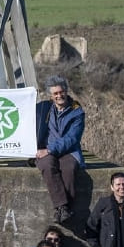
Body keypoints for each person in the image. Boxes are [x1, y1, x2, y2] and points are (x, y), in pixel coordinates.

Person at [34, 75, 85, 223]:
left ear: (66, 91)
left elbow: (72, 138)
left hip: (68, 150)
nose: (59, 96)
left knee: (69, 168)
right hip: (46, 149)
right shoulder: (43, 108)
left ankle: (61, 209)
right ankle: (63, 208)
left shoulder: (77, 111)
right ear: (51, 96)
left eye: (61, 92)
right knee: (46, 165)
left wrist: (50, 150)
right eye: (55, 93)